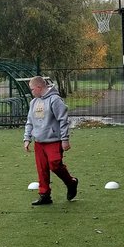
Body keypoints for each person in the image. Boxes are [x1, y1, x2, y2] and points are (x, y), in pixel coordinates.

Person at [23, 76, 78, 205]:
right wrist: (27, 138)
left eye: (32, 89)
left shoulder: (55, 100)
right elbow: (29, 122)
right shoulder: (33, 102)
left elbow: (63, 121)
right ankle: (45, 195)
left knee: (55, 165)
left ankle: (71, 182)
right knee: (42, 169)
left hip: (54, 140)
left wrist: (65, 139)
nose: (31, 92)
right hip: (39, 141)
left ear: (39, 87)